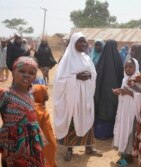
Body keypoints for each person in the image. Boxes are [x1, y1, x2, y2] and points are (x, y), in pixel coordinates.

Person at [53, 32, 101, 162]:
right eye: (81, 41)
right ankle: (69, 149)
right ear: (73, 42)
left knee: (86, 118)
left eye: (85, 41)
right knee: (72, 121)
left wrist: (90, 76)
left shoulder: (87, 58)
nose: (84, 44)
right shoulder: (67, 59)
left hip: (85, 95)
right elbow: (59, 81)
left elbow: (94, 74)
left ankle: (89, 148)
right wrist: (76, 77)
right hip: (72, 97)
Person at [0, 56, 45, 166]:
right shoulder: (5, 94)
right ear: (13, 72)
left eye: (31, 73)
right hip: (13, 144)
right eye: (21, 71)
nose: (26, 75)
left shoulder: (31, 92)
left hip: (33, 140)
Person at [112, 58, 141, 166]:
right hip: (124, 110)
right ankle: (126, 154)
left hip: (133, 112)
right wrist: (120, 91)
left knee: (131, 133)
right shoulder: (125, 79)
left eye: (130, 67)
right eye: (126, 67)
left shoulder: (139, 79)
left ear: (136, 67)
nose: (128, 69)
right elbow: (125, 92)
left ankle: (128, 156)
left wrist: (128, 93)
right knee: (124, 131)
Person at [94, 39, 124, 139]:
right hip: (115, 90)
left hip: (102, 91)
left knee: (102, 109)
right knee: (112, 108)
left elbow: (97, 77)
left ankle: (101, 133)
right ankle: (111, 132)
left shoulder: (102, 59)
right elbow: (122, 75)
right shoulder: (119, 59)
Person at [33, 84, 57, 167]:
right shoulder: (39, 110)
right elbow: (47, 132)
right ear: (41, 94)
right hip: (43, 143)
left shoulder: (34, 106)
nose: (48, 95)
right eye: (45, 93)